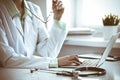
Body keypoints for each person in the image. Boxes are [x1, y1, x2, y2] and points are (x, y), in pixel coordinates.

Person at [0, 0, 81, 69]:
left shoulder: (34, 9)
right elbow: (7, 59)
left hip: (30, 73)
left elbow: (47, 53)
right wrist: (55, 62)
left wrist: (57, 20)